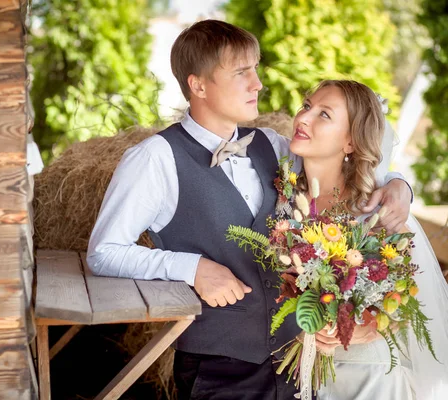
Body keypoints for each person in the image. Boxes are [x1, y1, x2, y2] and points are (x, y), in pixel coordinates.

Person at [87, 20, 413, 400]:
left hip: (295, 367)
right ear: (199, 85)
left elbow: (343, 158)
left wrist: (398, 184)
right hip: (219, 368)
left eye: (255, 69)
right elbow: (103, 253)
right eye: (242, 72)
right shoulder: (153, 159)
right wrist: (191, 267)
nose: (257, 83)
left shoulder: (271, 146)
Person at [288, 79, 448, 400]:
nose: (303, 117)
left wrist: (366, 330)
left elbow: (413, 299)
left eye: (324, 114)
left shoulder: (380, 212)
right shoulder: (282, 198)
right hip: (301, 375)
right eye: (306, 106)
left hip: (370, 378)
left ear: (350, 142)